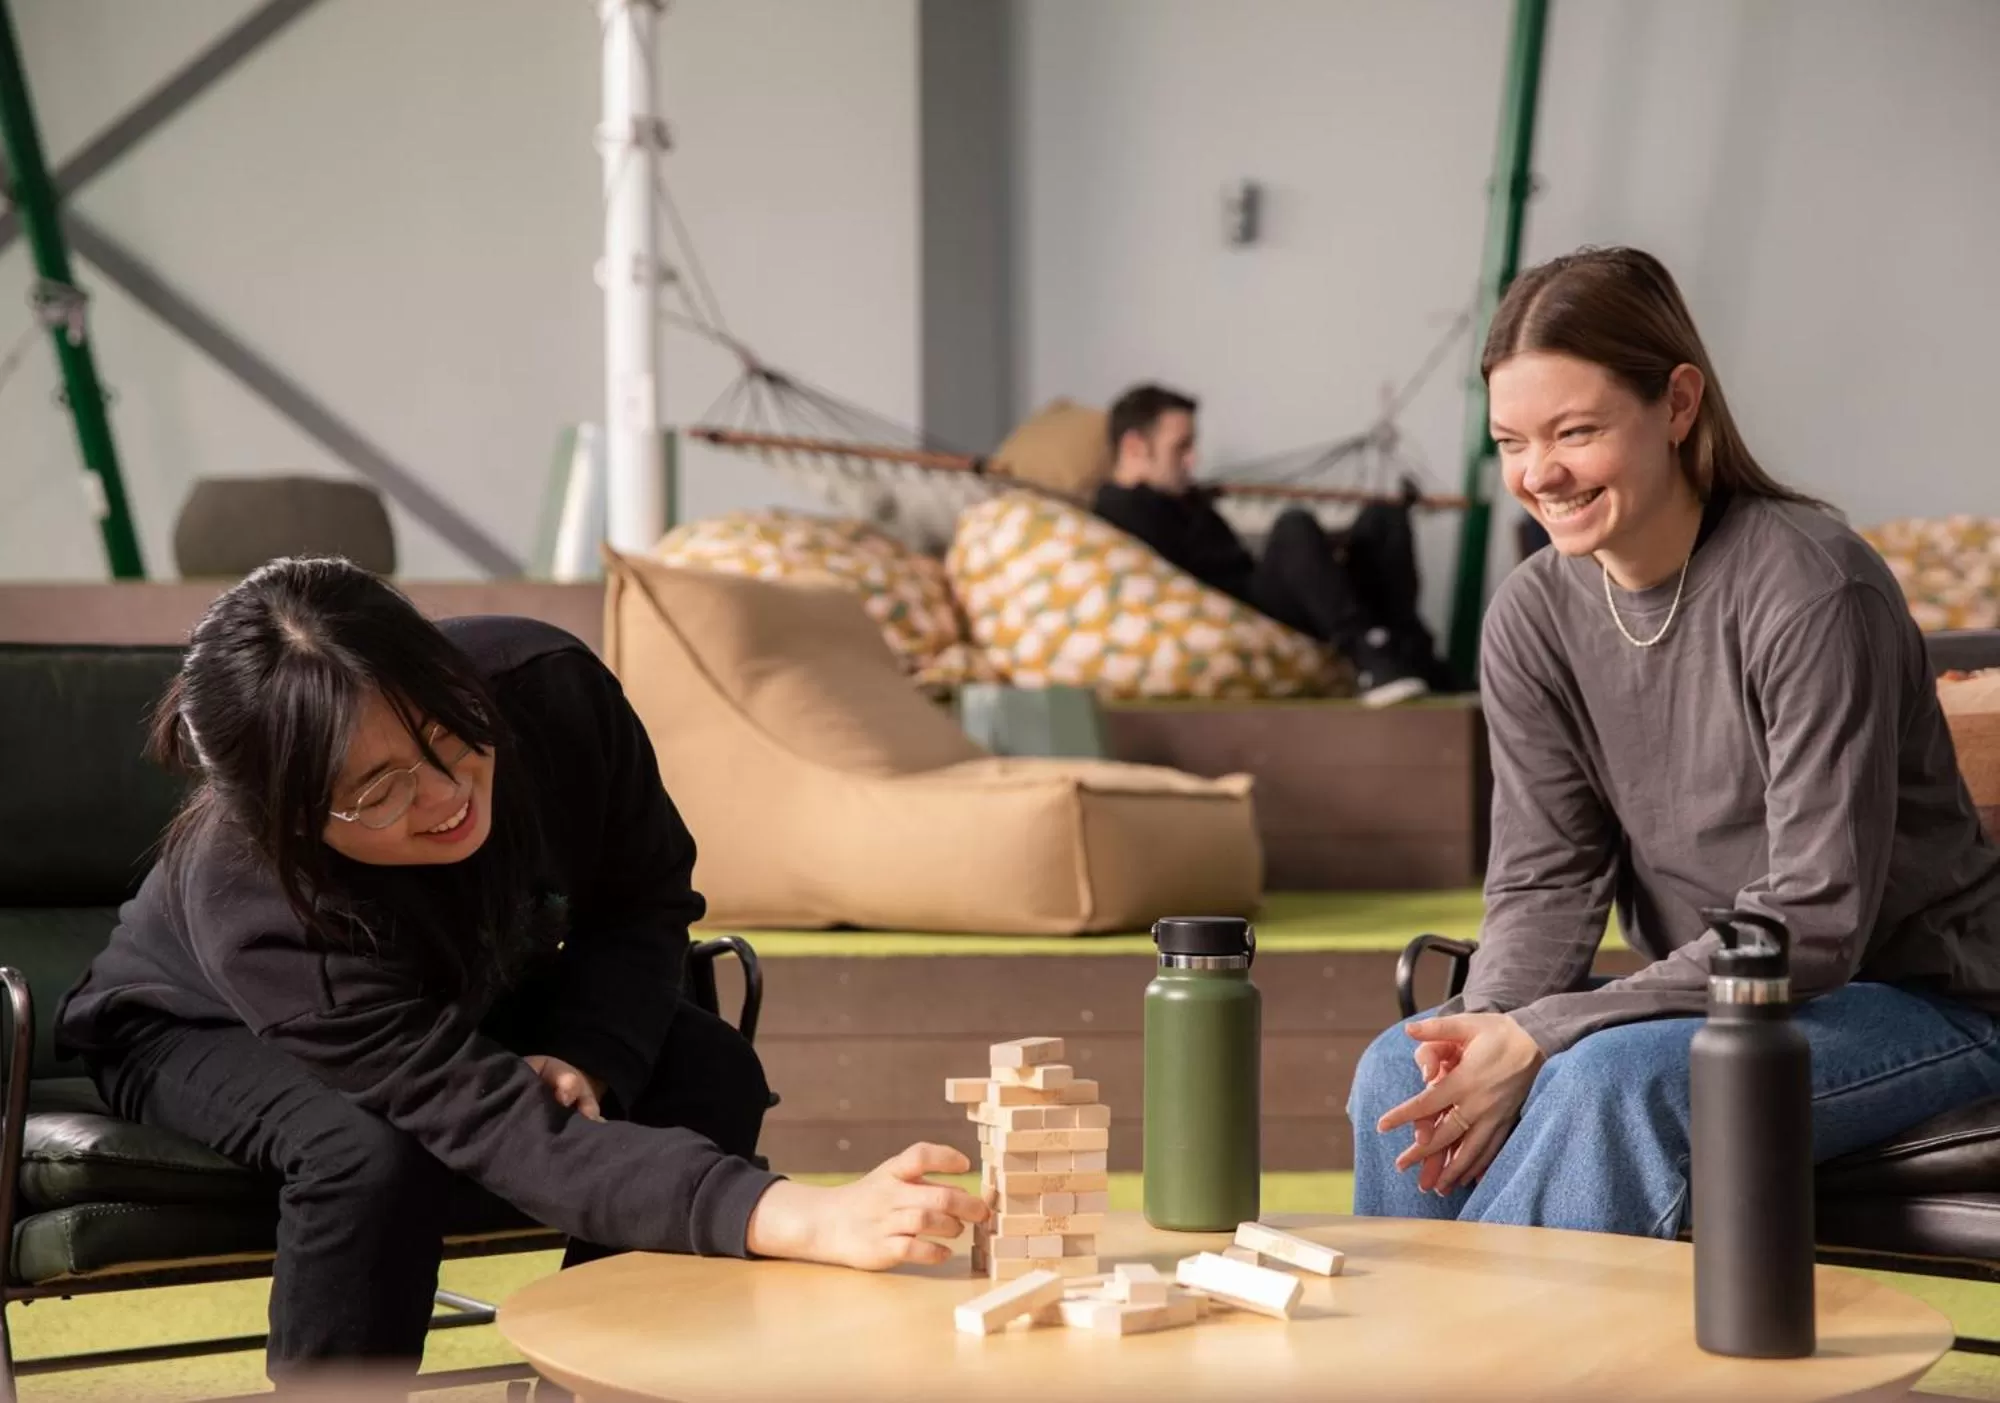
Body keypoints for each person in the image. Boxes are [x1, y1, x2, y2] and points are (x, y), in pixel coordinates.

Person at [54, 558, 987, 1384]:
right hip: (187, 1025)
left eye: (447, 730)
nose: (446, 794)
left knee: (707, 1069)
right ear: (295, 820)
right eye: (378, 790)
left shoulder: (547, 687)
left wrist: (587, 1050)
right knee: (366, 1152)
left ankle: (600, 1377)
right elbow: (499, 1126)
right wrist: (797, 1216)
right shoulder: (255, 902)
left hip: (455, 985)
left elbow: (643, 896)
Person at [1345, 246, 2000, 1238]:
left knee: (1609, 1082)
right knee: (1402, 1063)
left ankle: (1491, 1339)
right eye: (1511, 440)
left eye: (1576, 431)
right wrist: (1487, 1028)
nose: (1539, 473)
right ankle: (1437, 1335)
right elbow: (1543, 882)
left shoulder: (1812, 589)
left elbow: (1812, 922)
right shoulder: (1531, 615)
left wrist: (1545, 1029)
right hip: (1715, 1001)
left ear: (1678, 404)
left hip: (1916, 1002)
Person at [1089, 384, 1448, 705]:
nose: (1192, 459)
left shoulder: (1182, 498)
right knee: (1293, 528)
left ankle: (1413, 658)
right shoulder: (1118, 511)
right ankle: (1368, 655)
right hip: (1243, 611)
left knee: (1384, 519)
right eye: (1180, 447)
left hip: (1260, 589)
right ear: (1134, 447)